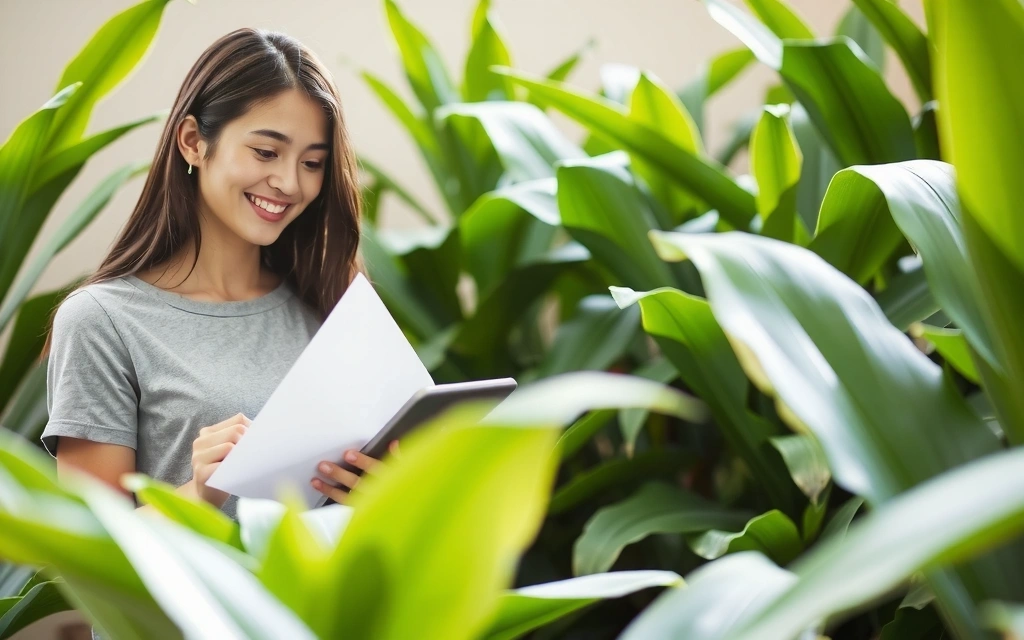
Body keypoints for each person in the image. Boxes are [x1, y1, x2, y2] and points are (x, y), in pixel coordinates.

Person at [40, 27, 391, 518]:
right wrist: (200, 492)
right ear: (192, 143)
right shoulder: (103, 322)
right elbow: (89, 560)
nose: (290, 182)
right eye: (266, 152)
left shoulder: (329, 302)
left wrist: (383, 490)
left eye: (312, 162)